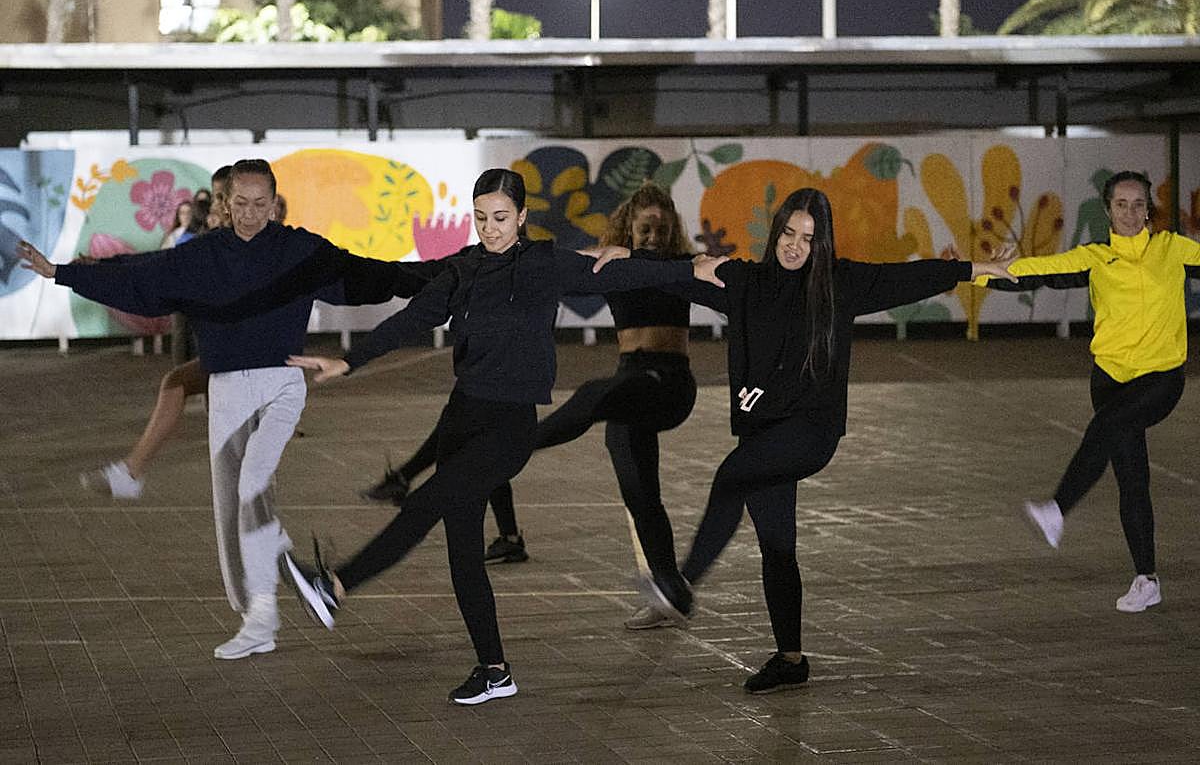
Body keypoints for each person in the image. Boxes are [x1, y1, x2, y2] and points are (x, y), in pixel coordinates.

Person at [277, 168, 728, 705]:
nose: (489, 229)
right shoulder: (462, 270)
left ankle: (336, 586)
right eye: (481, 218)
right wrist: (350, 361)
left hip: (510, 426)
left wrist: (688, 266)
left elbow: (614, 276)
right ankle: (494, 671)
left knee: (424, 501)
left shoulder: (543, 262)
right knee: (462, 551)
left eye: (499, 218)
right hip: (463, 416)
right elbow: (411, 319)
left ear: (520, 217)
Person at [17, 159, 430, 661]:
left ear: (275, 204)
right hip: (228, 390)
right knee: (232, 506)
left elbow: (368, 274)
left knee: (253, 482)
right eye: (241, 203)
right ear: (225, 204)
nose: (252, 213)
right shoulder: (203, 256)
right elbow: (142, 276)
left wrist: (448, 273)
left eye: (262, 204)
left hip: (283, 384)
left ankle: (271, 574)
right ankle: (260, 617)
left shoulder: (301, 250)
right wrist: (62, 273)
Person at [612, 187, 1013, 694]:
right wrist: (616, 257)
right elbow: (675, 275)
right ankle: (791, 658)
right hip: (763, 431)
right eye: (789, 233)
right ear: (776, 231)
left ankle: (679, 585)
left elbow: (906, 278)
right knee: (777, 546)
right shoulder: (745, 281)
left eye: (808, 238)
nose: (796, 246)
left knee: (732, 475)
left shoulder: (840, 283)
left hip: (811, 432)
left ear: (821, 244)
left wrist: (972, 269)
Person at [364, 183, 702, 628]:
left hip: (667, 382)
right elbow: (541, 264)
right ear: (628, 228)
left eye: (662, 228)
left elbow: (719, 277)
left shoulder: (677, 265)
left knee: (585, 398)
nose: (655, 236)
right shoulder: (608, 261)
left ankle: (516, 444)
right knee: (640, 494)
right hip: (628, 385)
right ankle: (668, 590)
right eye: (646, 228)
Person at [982, 171, 1200, 613]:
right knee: (1132, 478)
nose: (1130, 212)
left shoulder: (1173, 250)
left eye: (1138, 204)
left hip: (1161, 377)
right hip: (1110, 378)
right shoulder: (1096, 257)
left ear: (1149, 210)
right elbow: (1042, 270)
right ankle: (1146, 579)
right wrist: (986, 272)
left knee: (1110, 423)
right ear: (1108, 210)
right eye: (1121, 204)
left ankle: (1058, 509)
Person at [79, 165, 234, 497]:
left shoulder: (248, 241)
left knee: (249, 478)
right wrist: (101, 268)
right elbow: (158, 263)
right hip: (233, 355)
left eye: (224, 198)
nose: (216, 207)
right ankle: (131, 472)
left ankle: (132, 473)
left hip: (259, 363)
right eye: (217, 197)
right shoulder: (217, 239)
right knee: (177, 384)